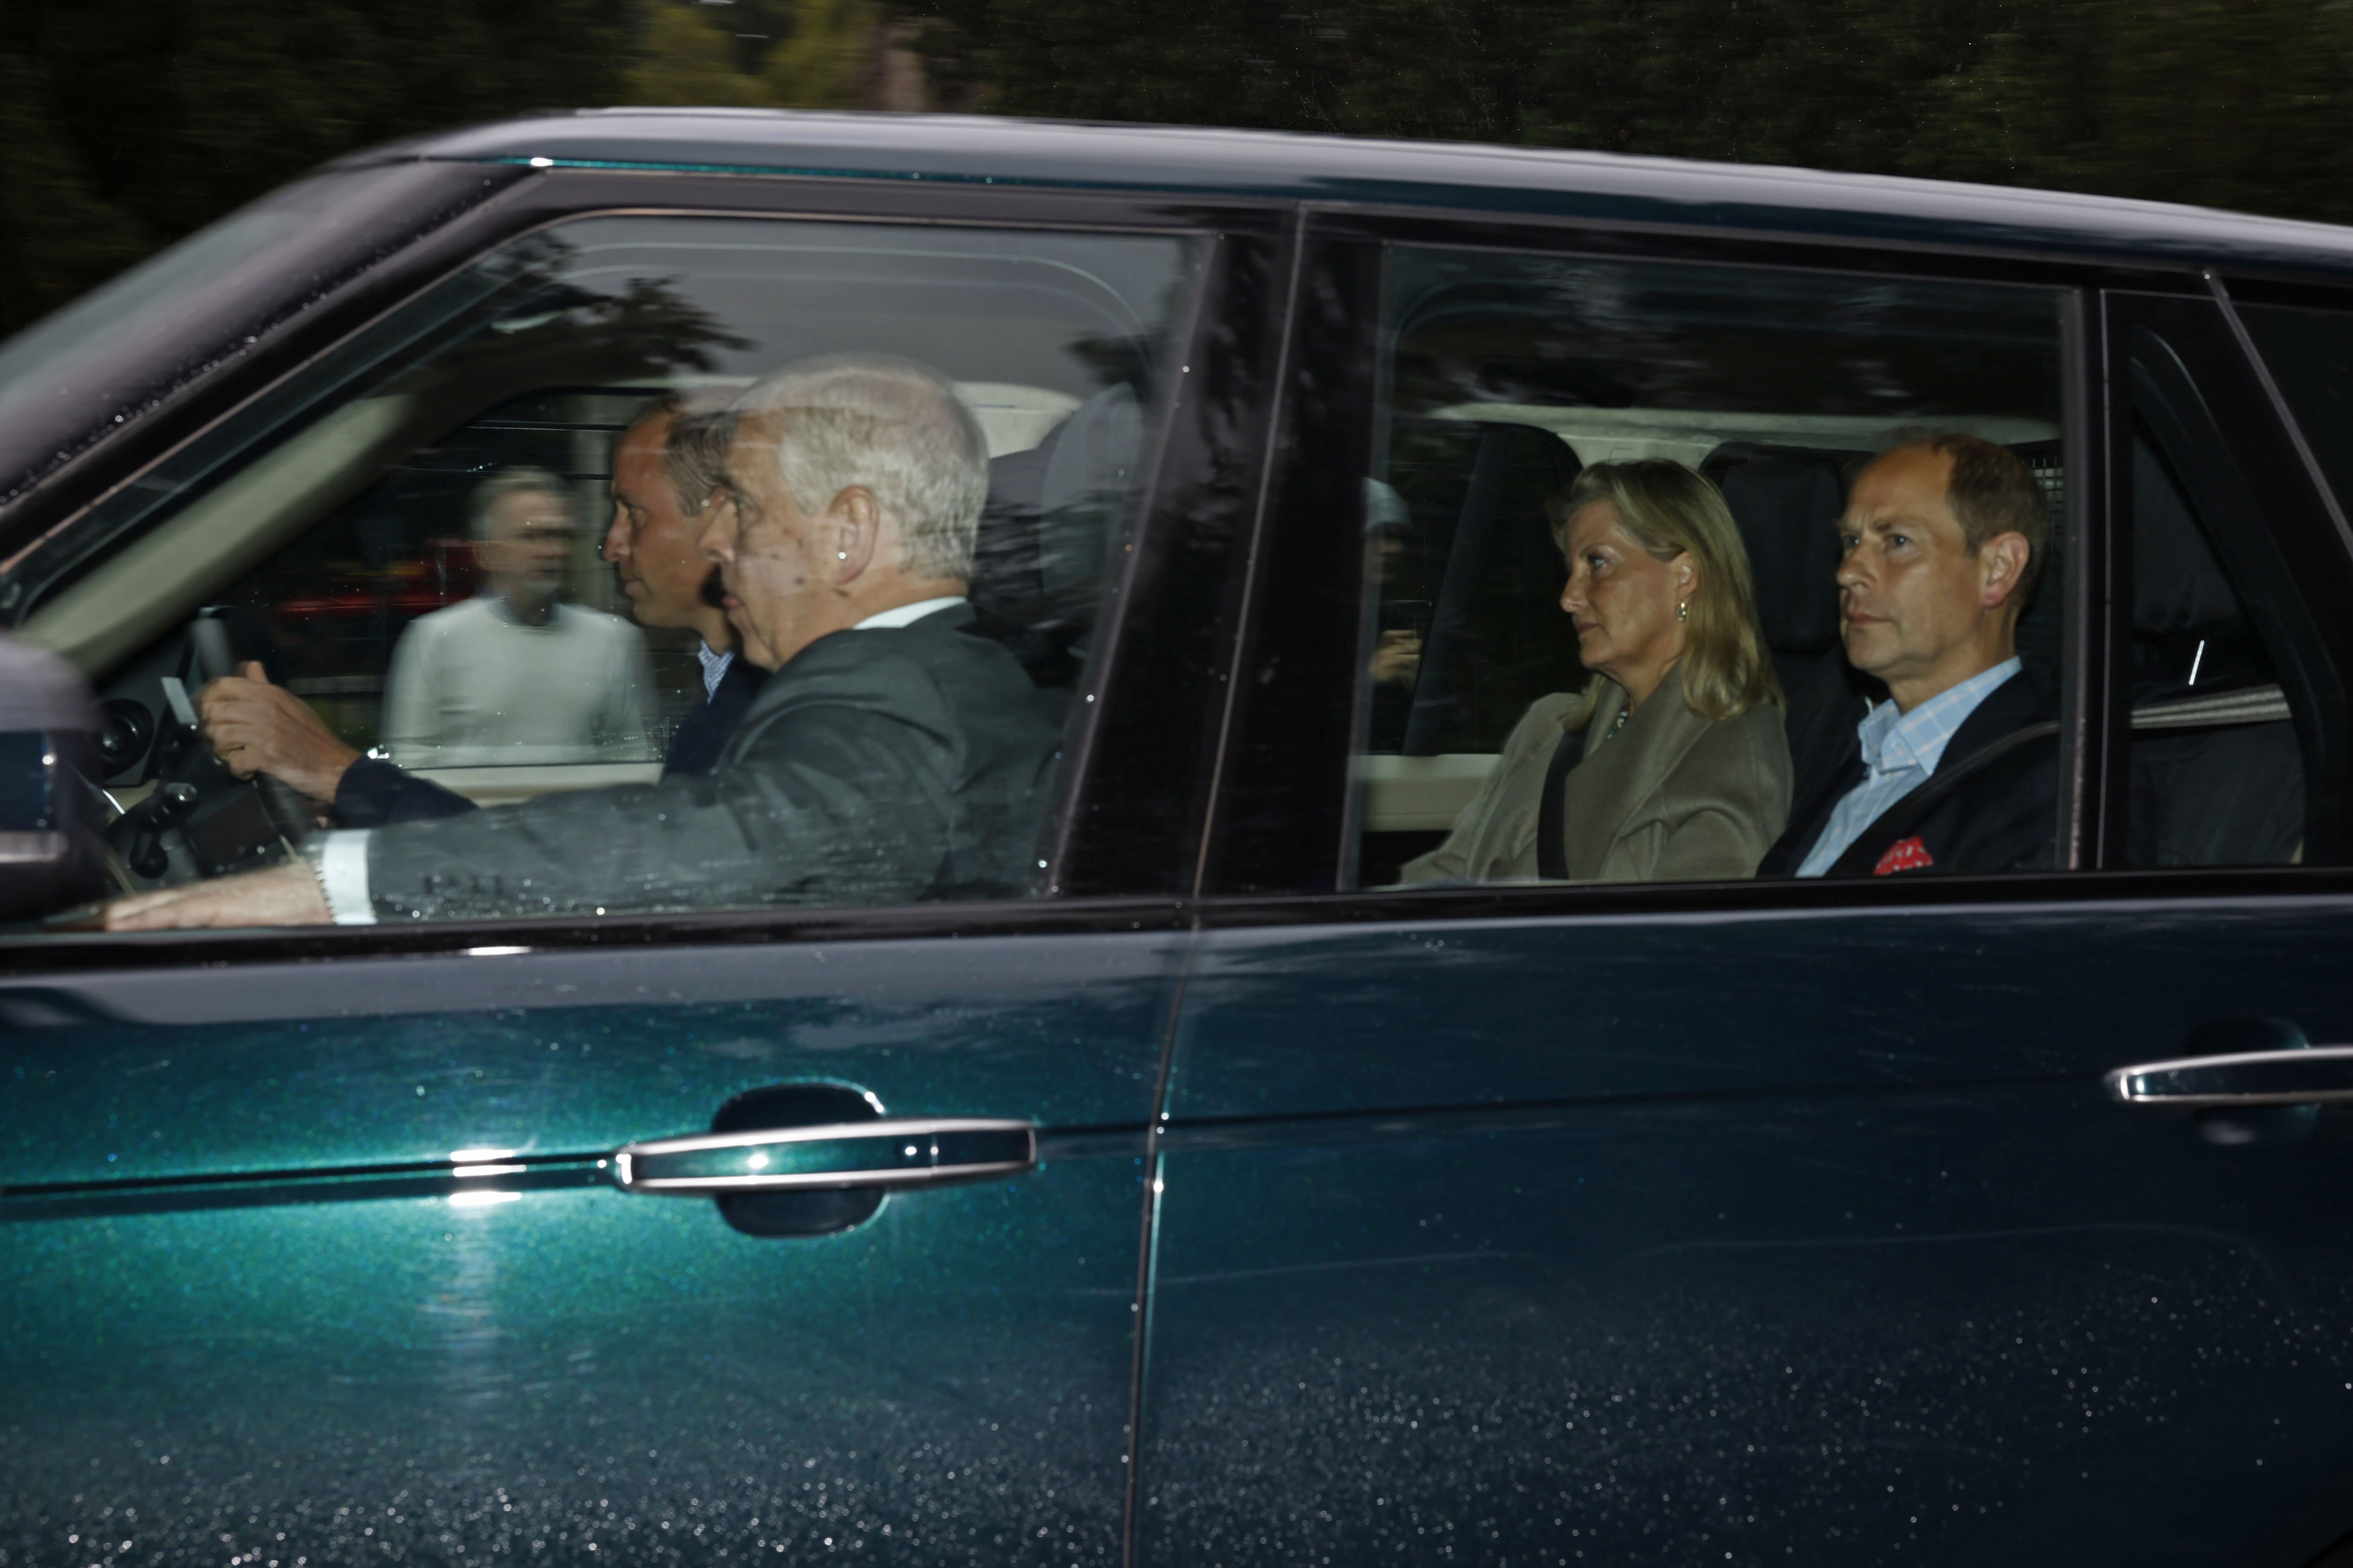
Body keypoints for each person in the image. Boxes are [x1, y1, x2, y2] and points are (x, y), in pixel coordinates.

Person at [105, 352, 1063, 930]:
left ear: (848, 533)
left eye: (742, 507)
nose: (718, 540)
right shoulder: (940, 674)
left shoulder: (895, 695)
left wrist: (329, 888)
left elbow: (725, 843)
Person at [198, 396, 759, 825]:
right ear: (488, 552)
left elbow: (613, 872)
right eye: (531, 537)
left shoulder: (759, 709)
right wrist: (350, 793)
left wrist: (336, 774)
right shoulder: (727, 695)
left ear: (719, 523)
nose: (608, 546)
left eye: (633, 515)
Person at [1402, 459, 1791, 885]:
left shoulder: (1733, 755)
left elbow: (1681, 944)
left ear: (1684, 576)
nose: (1569, 597)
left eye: (1598, 564)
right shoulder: (1549, 728)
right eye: (1572, 571)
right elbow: (1447, 875)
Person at [1760, 431, 2054, 879]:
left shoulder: (2054, 786)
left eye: (1897, 542)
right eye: (1851, 541)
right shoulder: (1861, 752)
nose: (1848, 572)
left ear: (1999, 569)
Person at [376, 467, 654, 768]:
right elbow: (410, 760)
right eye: (531, 536)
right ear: (487, 554)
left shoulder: (614, 639)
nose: (552, 551)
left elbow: (632, 755)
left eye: (560, 535)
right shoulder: (436, 638)